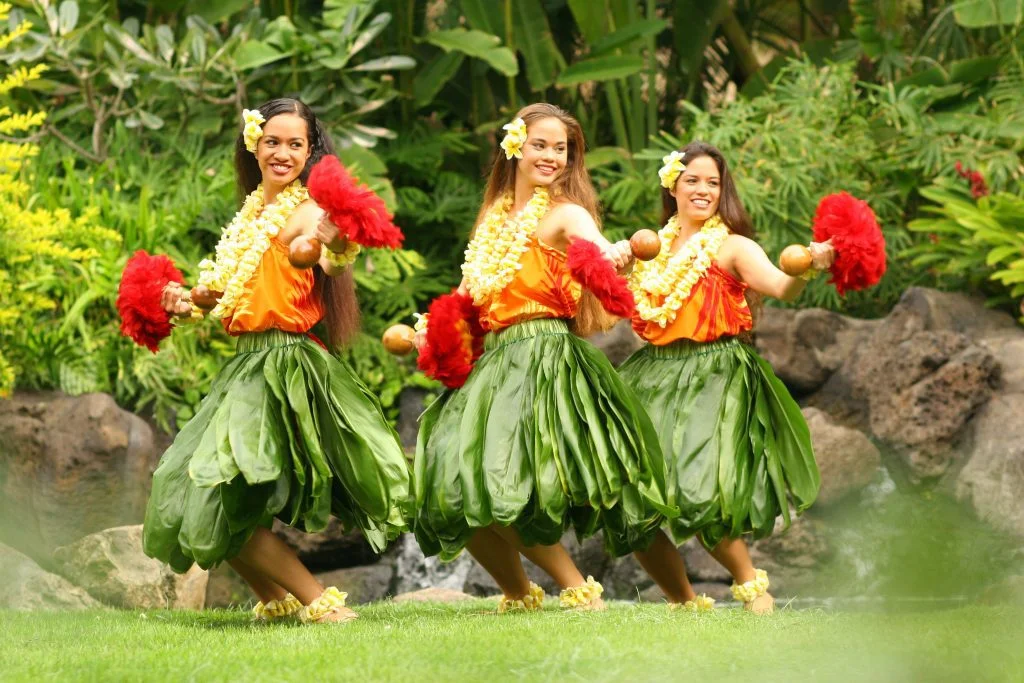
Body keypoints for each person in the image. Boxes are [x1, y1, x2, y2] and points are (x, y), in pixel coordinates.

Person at [143, 98, 412, 624]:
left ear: (310, 151)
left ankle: (321, 605)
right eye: (273, 141)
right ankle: (277, 603)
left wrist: (333, 245)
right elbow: (223, 293)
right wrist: (182, 300)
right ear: (254, 144)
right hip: (246, 365)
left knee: (224, 497)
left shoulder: (305, 209)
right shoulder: (250, 214)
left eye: (296, 144)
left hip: (283, 366)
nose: (283, 152)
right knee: (210, 496)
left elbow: (329, 257)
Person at [413, 103, 672, 612]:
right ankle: (518, 592)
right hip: (495, 361)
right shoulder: (492, 218)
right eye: (541, 145)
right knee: (447, 479)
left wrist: (613, 254)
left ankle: (577, 588)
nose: (551, 156)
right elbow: (470, 289)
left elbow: (593, 245)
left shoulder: (565, 212)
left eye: (562, 149)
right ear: (516, 147)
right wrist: (433, 329)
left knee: (498, 479)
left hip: (541, 356)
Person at [619, 141, 834, 614]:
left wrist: (809, 266)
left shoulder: (732, 245)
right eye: (692, 180)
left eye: (713, 182)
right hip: (653, 375)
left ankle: (753, 589)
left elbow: (781, 285)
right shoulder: (651, 246)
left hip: (714, 374)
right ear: (672, 185)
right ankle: (685, 603)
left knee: (703, 490)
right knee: (628, 497)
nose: (703, 190)